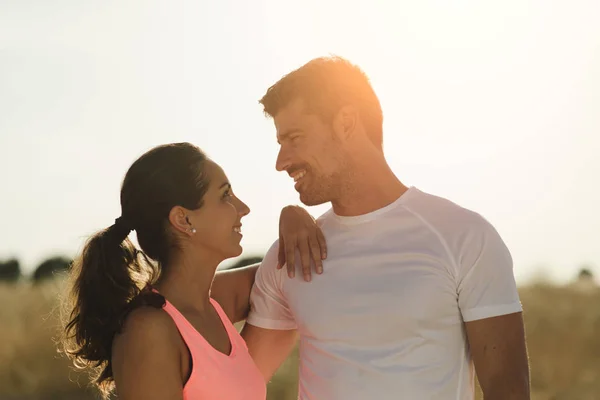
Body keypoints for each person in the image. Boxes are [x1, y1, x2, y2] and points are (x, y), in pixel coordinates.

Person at [241, 56, 530, 399]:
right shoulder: (290, 254)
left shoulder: (464, 237)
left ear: (346, 122)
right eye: (280, 143)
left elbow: (507, 391)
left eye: (295, 138)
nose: (281, 162)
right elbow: (236, 382)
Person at [60, 142, 326, 400]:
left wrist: (294, 214)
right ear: (183, 219)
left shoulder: (210, 304)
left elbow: (289, 269)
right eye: (225, 196)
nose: (243, 209)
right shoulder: (147, 330)